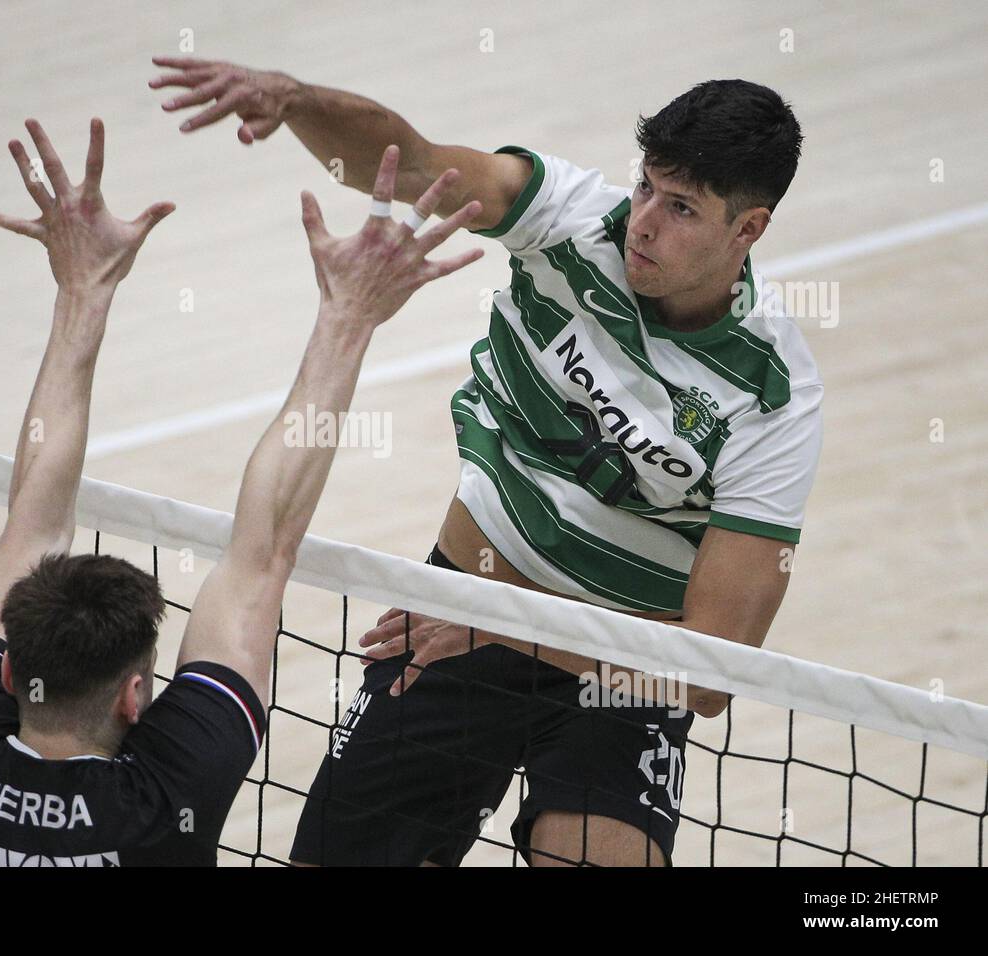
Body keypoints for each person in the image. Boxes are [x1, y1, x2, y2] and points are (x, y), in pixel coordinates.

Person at [151, 59, 823, 866]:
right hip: (454, 618)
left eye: (681, 208)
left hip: (621, 674)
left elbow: (709, 671)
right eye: (646, 186)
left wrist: (512, 623)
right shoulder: (574, 220)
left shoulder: (772, 397)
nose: (643, 222)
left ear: (747, 229)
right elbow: (414, 160)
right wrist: (295, 101)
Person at [0, 115, 483, 866]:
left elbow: (32, 527)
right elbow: (261, 552)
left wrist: (82, 287)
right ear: (133, 701)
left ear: (8, 673)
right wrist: (350, 315)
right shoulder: (166, 789)